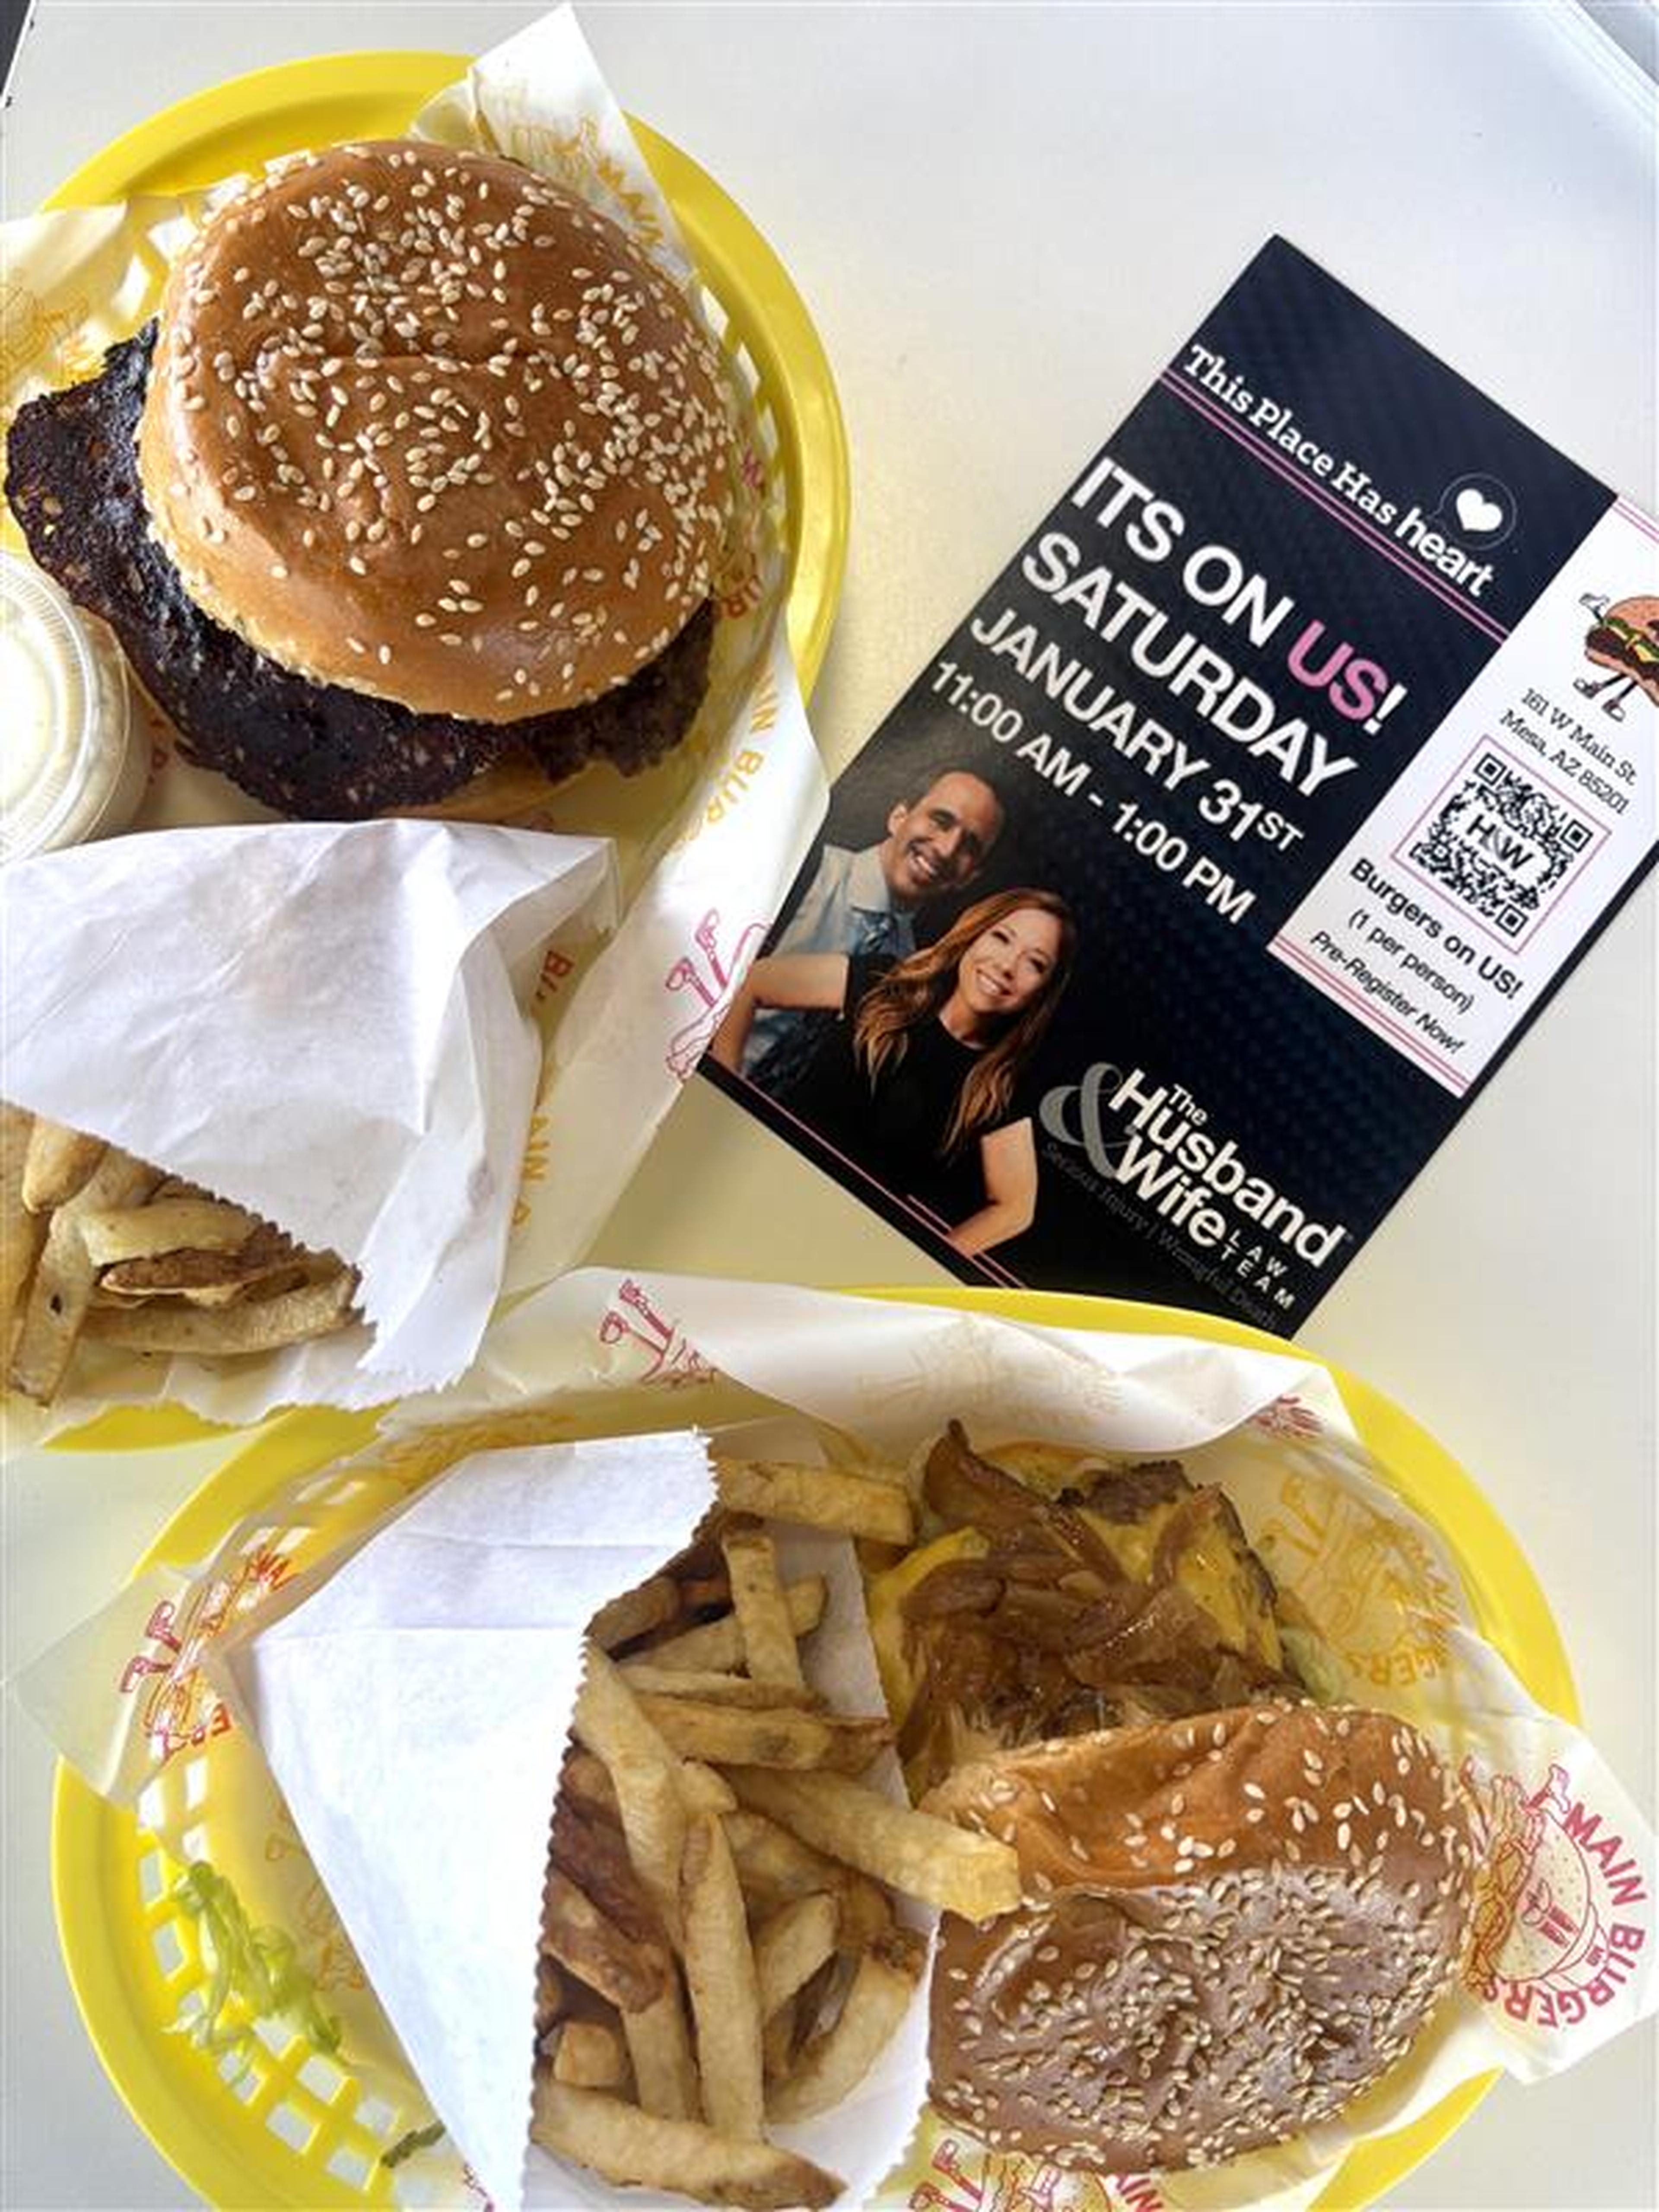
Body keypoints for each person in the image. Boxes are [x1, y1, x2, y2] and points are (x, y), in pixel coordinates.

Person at [712, 888, 1075, 1259]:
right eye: (1001, 938)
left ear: (1042, 991)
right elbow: (754, 982)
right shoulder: (885, 983)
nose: (1007, 965)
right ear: (975, 933)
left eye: (1035, 963)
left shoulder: (996, 1089)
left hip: (835, 1255)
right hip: (750, 1190)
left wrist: (916, 1262)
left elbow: (1016, 1209)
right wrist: (721, 1097)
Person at [740, 767, 1004, 1084]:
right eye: (941, 821)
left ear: (969, 877)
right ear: (899, 817)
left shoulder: (911, 972)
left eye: (970, 846)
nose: (947, 850)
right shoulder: (803, 869)